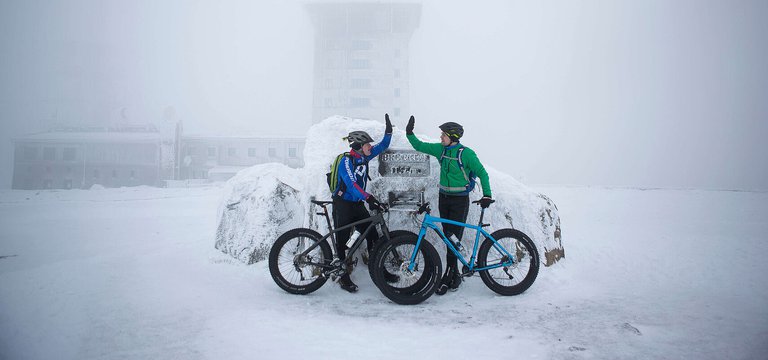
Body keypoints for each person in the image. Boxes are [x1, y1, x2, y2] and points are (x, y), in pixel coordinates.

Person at [405, 116, 493, 295]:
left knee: (453, 237)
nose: (440, 138)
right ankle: (455, 274)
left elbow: (483, 173)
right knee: (448, 237)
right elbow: (420, 146)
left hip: (460, 200)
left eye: (443, 135)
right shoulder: (441, 150)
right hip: (444, 197)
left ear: (452, 137)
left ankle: (450, 275)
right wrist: (409, 133)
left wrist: (487, 195)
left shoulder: (466, 154)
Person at [331, 114, 398, 293]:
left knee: (373, 236)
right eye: (368, 144)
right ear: (360, 147)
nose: (371, 147)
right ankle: (343, 276)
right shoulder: (346, 161)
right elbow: (352, 185)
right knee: (342, 241)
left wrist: (389, 131)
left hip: (357, 204)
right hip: (343, 204)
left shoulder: (363, 158)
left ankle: (380, 271)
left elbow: (383, 146)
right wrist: (368, 197)